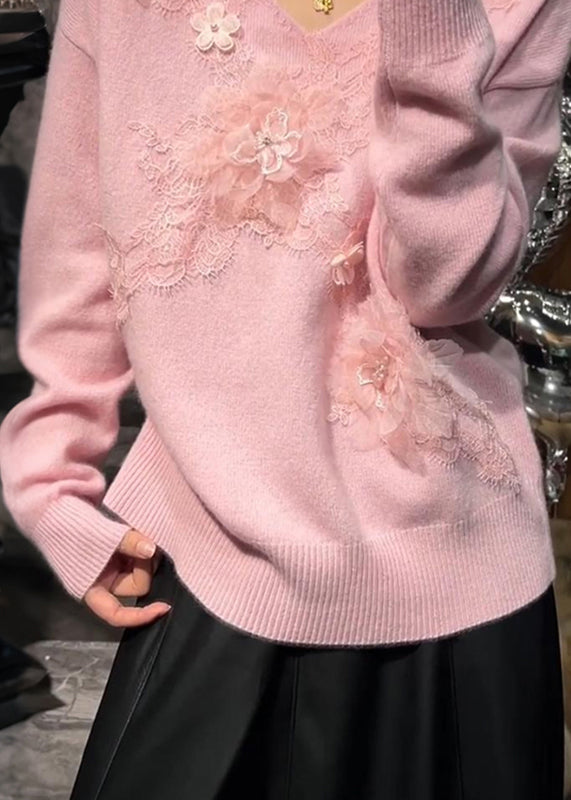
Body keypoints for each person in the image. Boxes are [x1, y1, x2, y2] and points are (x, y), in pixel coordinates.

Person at [0, 0, 570, 796]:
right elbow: (76, 252)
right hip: (212, 556)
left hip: (449, 574)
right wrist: (49, 481)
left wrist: (429, 31)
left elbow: (444, 287)